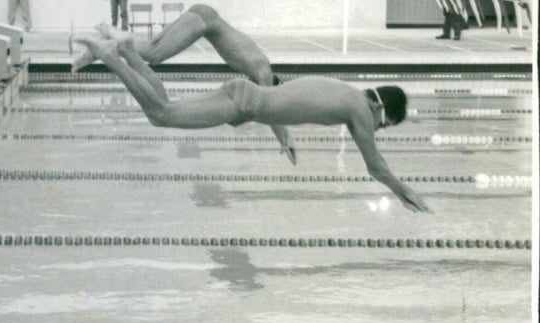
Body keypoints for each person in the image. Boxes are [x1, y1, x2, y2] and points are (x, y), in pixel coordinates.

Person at [74, 31, 430, 213]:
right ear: (381, 110)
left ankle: (127, 53)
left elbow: (287, 99)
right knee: (161, 114)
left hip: (244, 99)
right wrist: (406, 193)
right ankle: (111, 56)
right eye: (384, 125)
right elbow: (375, 166)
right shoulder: (360, 110)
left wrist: (283, 136)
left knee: (163, 110)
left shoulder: (346, 93)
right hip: (243, 101)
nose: (377, 130)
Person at [73, 4, 295, 164]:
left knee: (151, 52)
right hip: (205, 20)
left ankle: (115, 47)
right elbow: (272, 110)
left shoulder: (255, 71)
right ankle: (110, 46)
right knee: (154, 53)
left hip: (203, 17)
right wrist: (284, 138)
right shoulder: (262, 70)